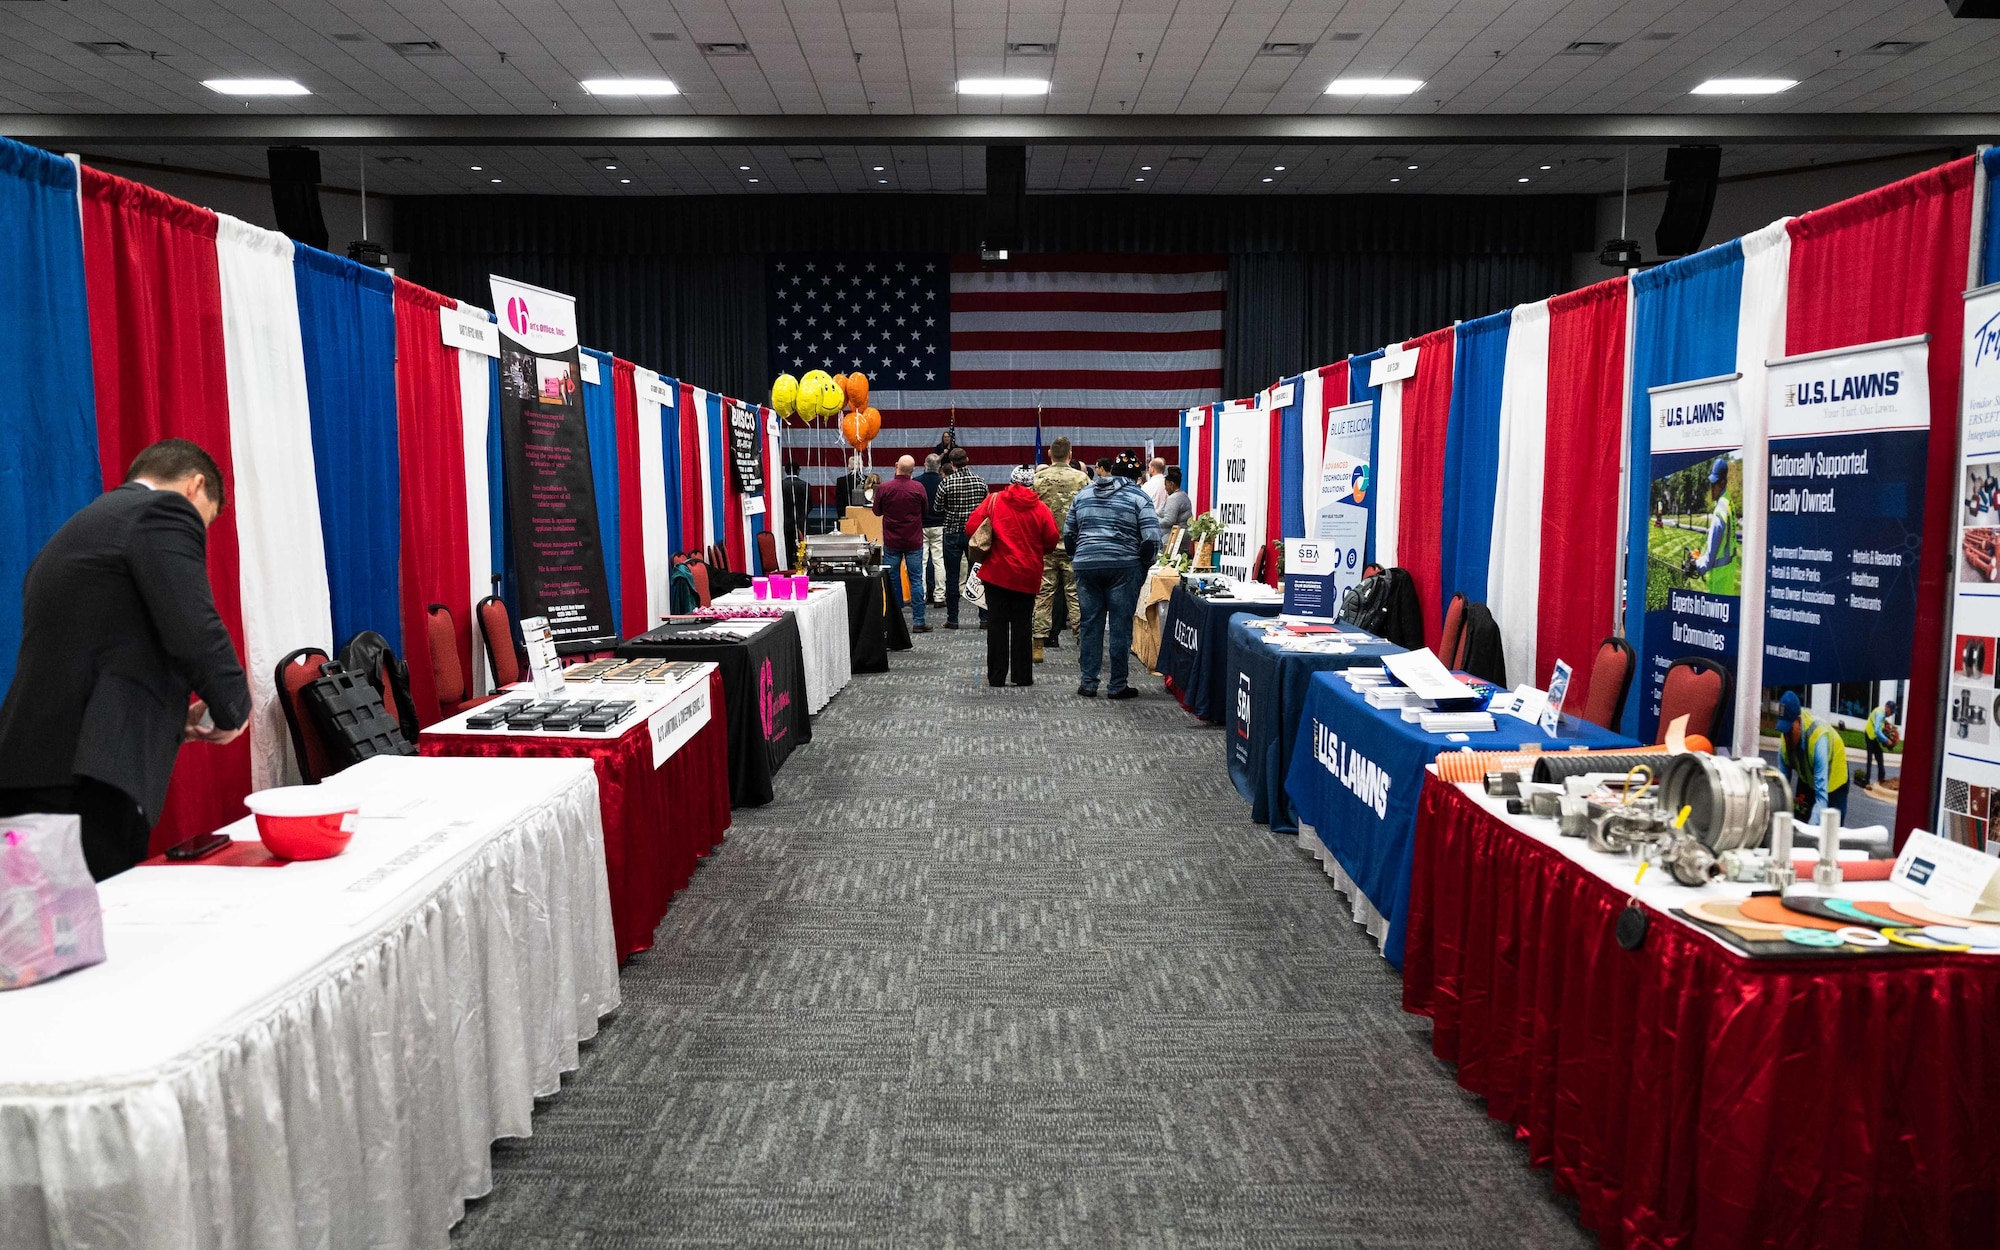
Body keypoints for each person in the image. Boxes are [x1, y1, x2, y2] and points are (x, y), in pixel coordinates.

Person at [0, 439, 251, 880]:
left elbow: (105, 650)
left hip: (37, 766)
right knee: (97, 934)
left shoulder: (87, 526)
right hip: (90, 779)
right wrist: (232, 709)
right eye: (205, 521)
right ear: (194, 487)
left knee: (51, 939)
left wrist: (175, 718)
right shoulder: (163, 511)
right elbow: (194, 625)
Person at [1062, 450, 1162, 699]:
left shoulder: (1083, 494)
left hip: (1086, 565)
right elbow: (1151, 540)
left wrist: (1080, 558)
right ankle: (1117, 685)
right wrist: (1142, 566)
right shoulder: (1139, 497)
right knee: (1120, 626)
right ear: (1136, 475)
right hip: (1123, 566)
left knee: (1089, 624)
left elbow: (1068, 536)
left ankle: (1088, 683)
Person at [966, 466, 1060, 687]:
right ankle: (1022, 676)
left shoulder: (994, 501)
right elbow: (1051, 539)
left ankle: (996, 676)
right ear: (1032, 484)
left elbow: (971, 527)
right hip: (1027, 575)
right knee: (1023, 625)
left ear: (1011, 481)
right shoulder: (1041, 509)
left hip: (997, 574)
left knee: (996, 624)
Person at [1032, 437, 1089, 664]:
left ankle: (1037, 645)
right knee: (1076, 596)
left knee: (1043, 596)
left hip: (1045, 548)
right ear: (1070, 455)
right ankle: (1083, 643)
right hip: (1075, 548)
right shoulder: (1082, 479)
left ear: (1049, 454)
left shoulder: (1038, 479)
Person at [872, 455, 931, 632]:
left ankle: (893, 622)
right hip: (913, 541)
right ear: (912, 470)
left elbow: (876, 511)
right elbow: (925, 512)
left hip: (892, 541)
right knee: (916, 580)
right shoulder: (918, 488)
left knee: (891, 580)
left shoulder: (884, 488)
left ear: (896, 465)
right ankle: (919, 621)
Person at [1776, 691, 1850, 823]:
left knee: (1832, 830)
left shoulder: (1818, 740)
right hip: (1808, 776)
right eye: (1783, 731)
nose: (1786, 738)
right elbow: (1781, 790)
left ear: (1798, 721)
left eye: (1789, 731)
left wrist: (1809, 832)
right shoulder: (1784, 744)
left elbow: (1822, 799)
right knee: (1799, 816)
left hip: (1834, 779)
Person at [937, 448, 988, 629]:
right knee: (979, 574)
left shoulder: (946, 483)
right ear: (967, 460)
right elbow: (986, 507)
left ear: (952, 464)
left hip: (952, 533)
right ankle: (984, 618)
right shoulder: (980, 482)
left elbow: (936, 508)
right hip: (975, 535)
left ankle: (953, 619)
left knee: (952, 576)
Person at [1690, 456, 1737, 593]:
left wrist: (1695, 564)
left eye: (1714, 484)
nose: (1712, 488)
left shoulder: (1719, 514)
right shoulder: (1729, 503)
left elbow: (1708, 561)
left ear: (1722, 483)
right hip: (1728, 576)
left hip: (1719, 581)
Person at [917, 453, 946, 608]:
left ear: (924, 465)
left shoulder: (916, 483)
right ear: (939, 467)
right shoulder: (944, 482)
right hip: (939, 525)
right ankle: (939, 597)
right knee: (939, 561)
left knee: (921, 562)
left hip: (921, 526)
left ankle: (920, 595)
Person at [1863, 698, 1900, 787]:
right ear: (1887, 707)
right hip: (1869, 735)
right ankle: (1866, 782)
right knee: (1870, 758)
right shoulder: (1880, 714)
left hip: (1873, 737)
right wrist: (1886, 740)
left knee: (1879, 754)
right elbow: (1877, 731)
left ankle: (1881, 778)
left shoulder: (1882, 714)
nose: (1891, 714)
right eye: (1891, 711)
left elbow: (1880, 728)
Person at [1156, 466, 1193, 541]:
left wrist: (1153, 520)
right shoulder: (1184, 495)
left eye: (1165, 484)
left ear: (1171, 484)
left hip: (1172, 540)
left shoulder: (1174, 498)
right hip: (1182, 537)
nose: (1165, 488)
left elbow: (1169, 520)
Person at [781, 459, 809, 558]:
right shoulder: (805, 485)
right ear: (798, 470)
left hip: (784, 522)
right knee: (802, 548)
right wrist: (802, 515)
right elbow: (809, 505)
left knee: (787, 548)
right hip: (801, 522)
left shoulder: (780, 485)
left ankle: (788, 565)